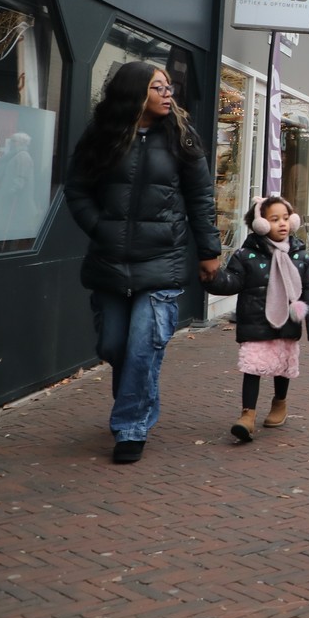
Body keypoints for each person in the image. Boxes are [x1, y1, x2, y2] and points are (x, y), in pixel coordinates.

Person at [64, 61, 221, 465]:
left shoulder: (182, 137)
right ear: (135, 93)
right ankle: (135, 406)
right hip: (110, 261)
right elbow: (77, 189)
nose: (168, 94)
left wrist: (209, 251)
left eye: (169, 87)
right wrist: (100, 227)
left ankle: (131, 426)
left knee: (141, 348)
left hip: (162, 260)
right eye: (158, 87)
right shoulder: (102, 136)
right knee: (113, 346)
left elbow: (202, 198)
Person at [206, 195, 309, 442]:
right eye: (274, 219)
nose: (282, 223)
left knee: (282, 365)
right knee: (252, 366)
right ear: (260, 224)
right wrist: (211, 277)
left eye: (285, 218)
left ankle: (279, 403)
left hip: (288, 320)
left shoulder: (300, 255)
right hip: (255, 320)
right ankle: (247, 415)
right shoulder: (245, 255)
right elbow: (232, 282)